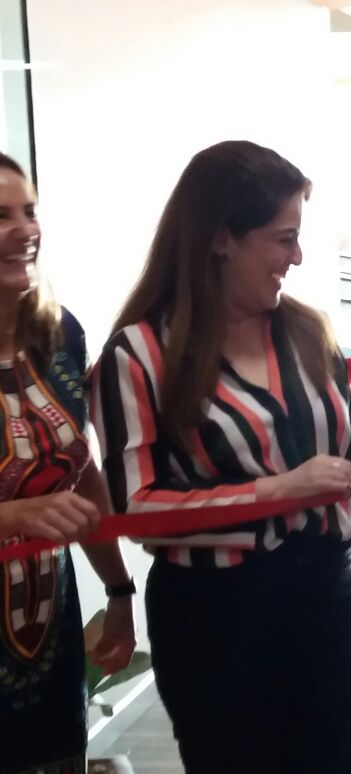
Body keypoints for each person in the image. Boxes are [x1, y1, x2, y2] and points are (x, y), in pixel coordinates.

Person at [90, 140, 351, 774]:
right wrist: (276, 491)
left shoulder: (307, 332)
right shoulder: (139, 355)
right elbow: (136, 508)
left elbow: (349, 452)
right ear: (220, 239)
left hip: (326, 599)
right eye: (283, 239)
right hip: (214, 618)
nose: (297, 257)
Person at [0, 151, 135, 774]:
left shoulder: (60, 336)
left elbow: (81, 474)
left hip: (50, 648)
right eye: (1, 217)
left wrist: (119, 589)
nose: (24, 230)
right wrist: (15, 515)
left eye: (29, 211)